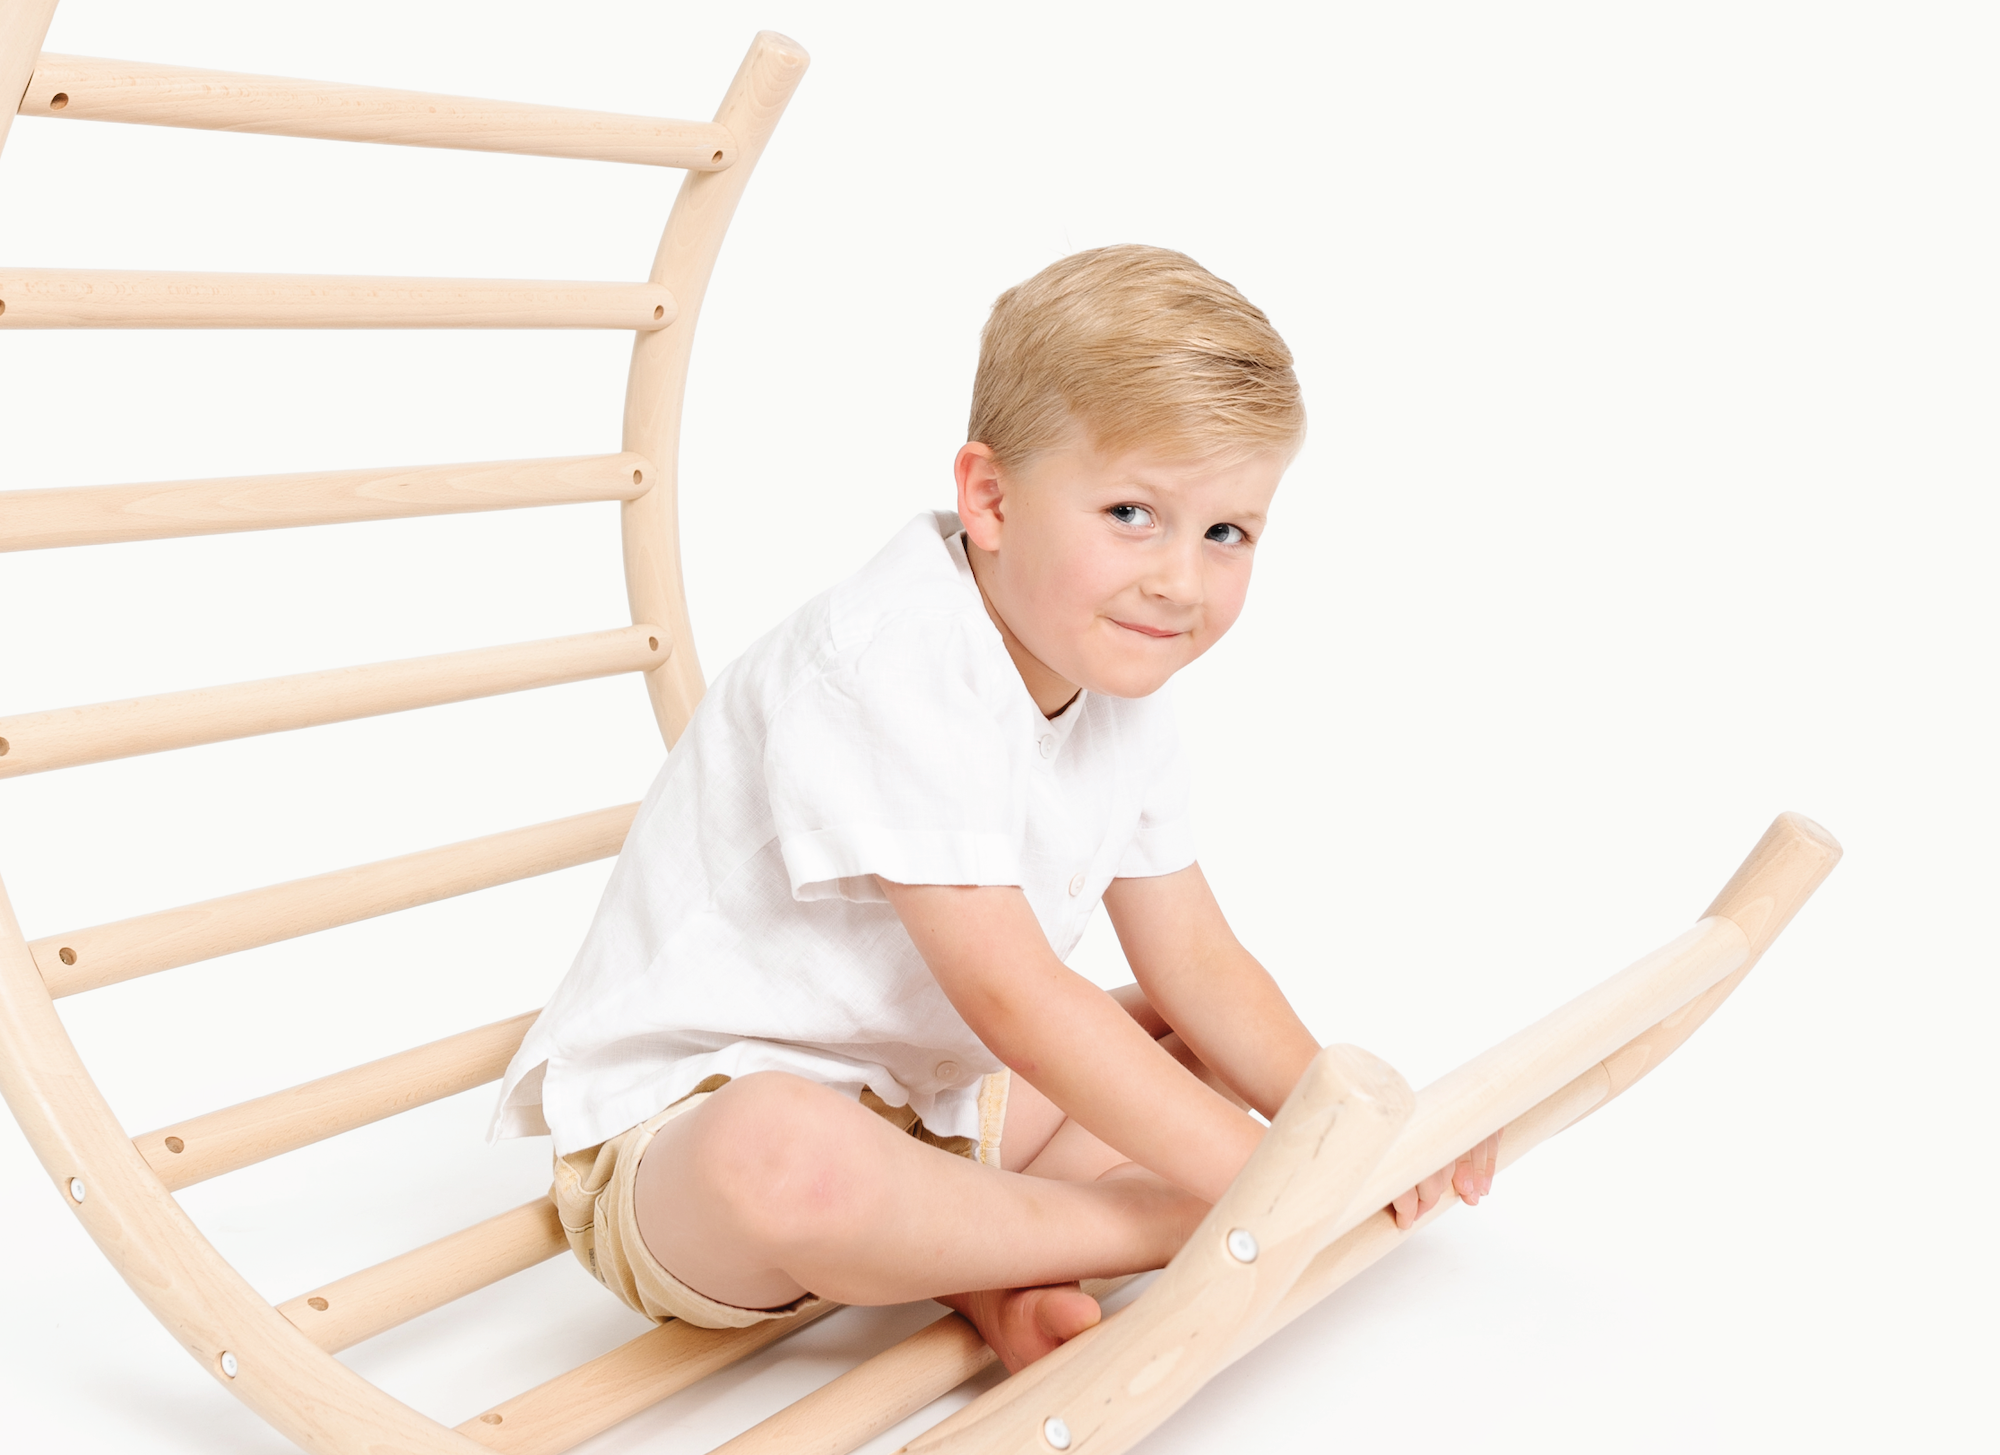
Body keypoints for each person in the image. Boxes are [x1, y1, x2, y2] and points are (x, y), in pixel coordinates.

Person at [490, 245, 1498, 1374]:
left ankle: (981, 1262)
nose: (1180, 580)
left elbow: (1200, 965)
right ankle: (1130, 1225)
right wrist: (1274, 1184)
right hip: (684, 1150)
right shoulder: (895, 659)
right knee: (780, 1152)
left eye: (1227, 533)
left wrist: (1359, 1135)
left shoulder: (1112, 676)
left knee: (1176, 1036)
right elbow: (1012, 996)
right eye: (1131, 512)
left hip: (933, 1109)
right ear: (990, 500)